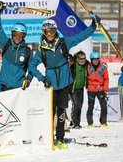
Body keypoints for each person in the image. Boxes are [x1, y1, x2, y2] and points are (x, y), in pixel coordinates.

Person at [29, 15, 98, 149]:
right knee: (50, 112)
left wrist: (93, 26)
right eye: (47, 31)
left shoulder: (63, 42)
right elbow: (32, 67)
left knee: (61, 112)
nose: (50, 34)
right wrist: (42, 79)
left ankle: (60, 139)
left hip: (64, 82)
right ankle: (48, 138)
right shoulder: (41, 49)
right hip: (50, 85)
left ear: (55, 31)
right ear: (44, 32)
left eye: (52, 31)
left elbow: (81, 36)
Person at [0, 5, 33, 90]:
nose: (18, 37)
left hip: (18, 89)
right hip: (3, 86)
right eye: (15, 34)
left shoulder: (27, 51)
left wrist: (28, 79)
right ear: (12, 34)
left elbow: (32, 68)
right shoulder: (6, 43)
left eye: (21, 35)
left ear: (24, 36)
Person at [86, 51, 109, 128]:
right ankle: (90, 123)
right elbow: (84, 77)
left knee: (104, 107)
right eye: (93, 59)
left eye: (97, 59)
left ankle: (103, 122)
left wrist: (105, 89)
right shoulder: (88, 66)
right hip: (91, 90)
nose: (95, 61)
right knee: (90, 107)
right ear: (91, 59)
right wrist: (86, 86)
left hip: (100, 90)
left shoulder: (103, 67)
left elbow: (106, 79)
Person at [69, 51, 88, 129]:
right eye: (81, 58)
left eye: (84, 58)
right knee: (76, 105)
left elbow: (94, 65)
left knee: (80, 106)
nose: (83, 60)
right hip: (73, 88)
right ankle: (74, 122)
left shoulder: (86, 64)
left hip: (81, 88)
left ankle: (77, 122)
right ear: (77, 59)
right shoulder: (74, 65)